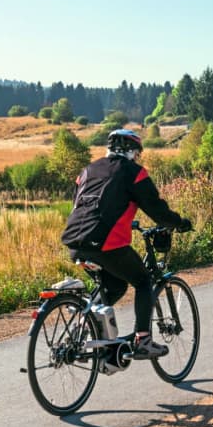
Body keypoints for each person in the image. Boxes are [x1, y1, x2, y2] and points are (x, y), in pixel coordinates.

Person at [61, 129, 192, 371]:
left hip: (75, 242)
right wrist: (179, 223)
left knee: (116, 285)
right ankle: (143, 340)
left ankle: (84, 330)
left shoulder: (87, 171)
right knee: (142, 280)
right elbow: (156, 209)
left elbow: (82, 206)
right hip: (105, 243)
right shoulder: (134, 172)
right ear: (133, 151)